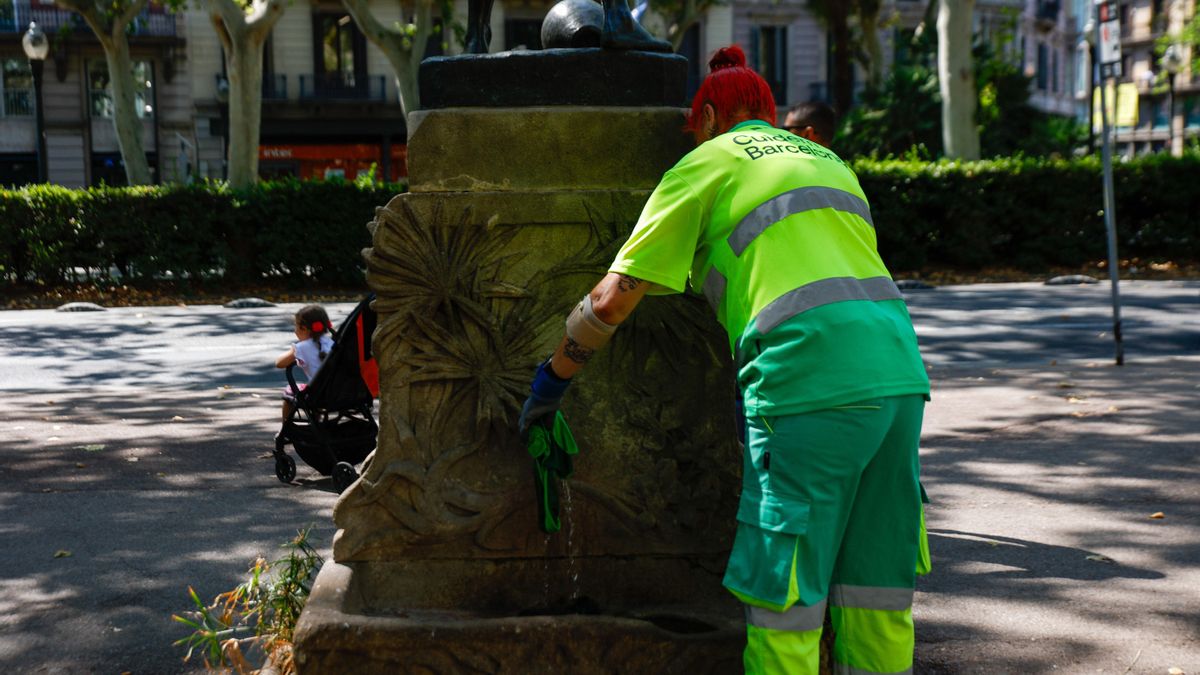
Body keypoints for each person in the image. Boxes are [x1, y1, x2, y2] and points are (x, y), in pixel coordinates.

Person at [519, 45, 930, 674]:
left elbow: (609, 300)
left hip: (806, 381)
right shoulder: (830, 160)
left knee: (784, 593)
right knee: (876, 590)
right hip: (899, 375)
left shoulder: (706, 163)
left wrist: (551, 382)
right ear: (768, 111)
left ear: (709, 117)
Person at [275, 304, 334, 420]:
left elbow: (279, 363)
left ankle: (287, 428)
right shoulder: (333, 344)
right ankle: (316, 423)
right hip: (339, 393)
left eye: (295, 326)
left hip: (318, 395)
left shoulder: (302, 347)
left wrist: (294, 350)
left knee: (290, 391)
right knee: (318, 386)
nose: (294, 331)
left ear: (304, 328)